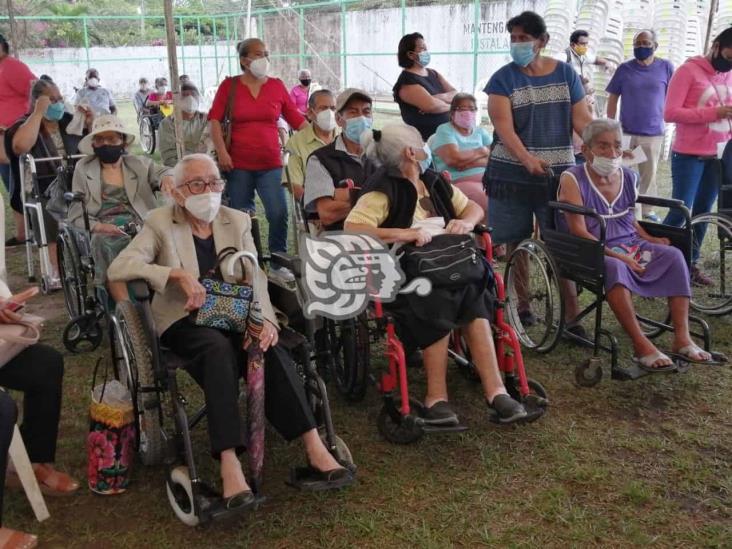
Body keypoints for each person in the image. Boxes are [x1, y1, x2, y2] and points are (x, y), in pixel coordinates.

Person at [108, 154, 354, 508]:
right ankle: (229, 463)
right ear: (177, 192)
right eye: (197, 184)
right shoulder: (160, 222)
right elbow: (121, 266)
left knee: (270, 347)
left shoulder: (235, 219)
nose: (208, 190)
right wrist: (173, 275)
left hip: (232, 309)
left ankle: (314, 445)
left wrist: (266, 321)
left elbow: (255, 278)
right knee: (216, 350)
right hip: (184, 318)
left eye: (214, 182)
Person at [344, 124, 529, 425]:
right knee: (438, 297)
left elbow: (471, 208)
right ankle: (436, 397)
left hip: (451, 264)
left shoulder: (433, 181)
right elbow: (353, 228)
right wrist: (404, 232)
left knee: (475, 293)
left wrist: (466, 223)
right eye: (420, 142)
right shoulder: (382, 189)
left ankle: (496, 392)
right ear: (410, 152)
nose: (424, 146)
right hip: (407, 272)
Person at [557, 119, 713, 368]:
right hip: (589, 247)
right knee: (616, 267)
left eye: (617, 146)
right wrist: (619, 257)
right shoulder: (572, 178)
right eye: (603, 146)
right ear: (585, 150)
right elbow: (578, 230)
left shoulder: (628, 176)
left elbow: (629, 218)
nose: (612, 153)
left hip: (628, 242)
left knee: (673, 255)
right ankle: (641, 345)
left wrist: (650, 239)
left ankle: (682, 339)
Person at [484, 11, 591, 329]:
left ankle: (571, 319)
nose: (517, 44)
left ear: (542, 41)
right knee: (515, 241)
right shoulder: (502, 79)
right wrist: (526, 159)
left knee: (561, 242)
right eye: (513, 38)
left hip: (558, 176)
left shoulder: (567, 75)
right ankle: (523, 304)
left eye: (524, 38)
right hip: (509, 175)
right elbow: (504, 129)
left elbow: (582, 121)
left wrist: (601, 145)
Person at [209, 38, 306, 278]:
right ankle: (246, 262)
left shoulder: (276, 85)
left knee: (278, 212)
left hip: (271, 163)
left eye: (266, 53)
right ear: (244, 60)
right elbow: (214, 120)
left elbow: (295, 119)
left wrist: (323, 135)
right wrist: (222, 152)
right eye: (258, 53)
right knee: (241, 216)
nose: (264, 58)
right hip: (237, 164)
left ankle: (277, 262)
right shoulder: (229, 86)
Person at [68, 114, 172, 302]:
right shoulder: (83, 168)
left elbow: (164, 171)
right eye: (100, 139)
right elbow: (76, 211)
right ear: (93, 144)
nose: (106, 144)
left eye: (112, 138)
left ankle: (161, 298)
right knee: (104, 243)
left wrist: (167, 178)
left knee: (164, 238)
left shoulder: (138, 163)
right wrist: (100, 227)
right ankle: (124, 309)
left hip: (141, 221)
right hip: (104, 225)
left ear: (122, 142)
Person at [663, 27, 732, 286]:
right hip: (688, 155)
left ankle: (690, 264)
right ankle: (657, 259)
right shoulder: (687, 71)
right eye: (729, 55)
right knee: (681, 210)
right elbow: (670, 113)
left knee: (704, 212)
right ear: (716, 46)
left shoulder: (730, 75)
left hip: (719, 155)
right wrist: (714, 113)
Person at [5, 77, 89, 289]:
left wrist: (90, 122)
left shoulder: (70, 122)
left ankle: (89, 259)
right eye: (51, 99)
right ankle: (56, 270)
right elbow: (21, 146)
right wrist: (37, 114)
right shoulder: (22, 126)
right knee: (48, 210)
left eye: (60, 98)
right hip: (42, 188)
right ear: (37, 102)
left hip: (74, 183)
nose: (58, 103)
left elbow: (92, 146)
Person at [606, 30, 674, 223]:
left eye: (645, 43)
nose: (640, 47)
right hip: (625, 132)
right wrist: (611, 125)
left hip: (652, 132)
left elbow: (673, 94)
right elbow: (613, 98)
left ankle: (646, 211)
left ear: (655, 45)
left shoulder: (666, 67)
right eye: (637, 43)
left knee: (648, 174)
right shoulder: (625, 69)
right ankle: (617, 208)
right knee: (617, 171)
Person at [303, 89, 376, 231]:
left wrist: (348, 195)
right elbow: (327, 214)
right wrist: (378, 196)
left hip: (386, 236)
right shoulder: (320, 159)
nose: (361, 118)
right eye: (353, 112)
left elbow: (399, 199)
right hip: (341, 239)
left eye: (366, 112)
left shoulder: (384, 154)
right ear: (338, 119)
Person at [0, 33, 36, 246]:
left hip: (13, 136)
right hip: (3, 137)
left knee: (18, 184)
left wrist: (23, 124)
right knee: (11, 184)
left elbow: (35, 90)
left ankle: (29, 231)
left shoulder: (13, 66)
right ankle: (23, 233)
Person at [430, 93, 491, 213]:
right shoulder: (445, 130)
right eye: (462, 109)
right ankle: (483, 230)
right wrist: (481, 151)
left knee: (506, 194)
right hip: (457, 181)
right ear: (452, 113)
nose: (468, 113)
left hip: (486, 178)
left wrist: (470, 163)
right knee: (486, 198)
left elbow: (495, 157)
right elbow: (453, 159)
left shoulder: (480, 132)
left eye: (472, 109)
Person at [393, 32, 457, 140]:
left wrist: (437, 98)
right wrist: (454, 107)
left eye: (426, 48)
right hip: (426, 140)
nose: (426, 52)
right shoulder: (407, 82)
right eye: (422, 49)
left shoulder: (433, 73)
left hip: (449, 136)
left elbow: (455, 94)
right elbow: (432, 106)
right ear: (410, 55)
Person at [283, 89, 337, 201]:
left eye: (332, 108)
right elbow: (294, 184)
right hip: (314, 207)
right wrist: (319, 205)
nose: (329, 113)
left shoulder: (344, 136)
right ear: (310, 113)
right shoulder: (296, 142)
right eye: (323, 108)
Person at [158, 83, 211, 168]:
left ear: (198, 98)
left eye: (193, 95)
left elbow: (211, 148)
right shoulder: (167, 124)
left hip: (206, 166)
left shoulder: (206, 120)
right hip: (179, 169)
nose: (190, 98)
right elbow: (168, 157)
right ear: (177, 99)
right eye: (185, 95)